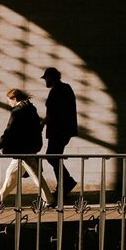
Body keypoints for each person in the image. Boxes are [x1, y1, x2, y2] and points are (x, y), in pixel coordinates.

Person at [0, 88, 54, 207]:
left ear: (14, 98)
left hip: (23, 149)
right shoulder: (30, 108)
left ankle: (49, 200)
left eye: (9, 100)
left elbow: (9, 132)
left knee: (35, 176)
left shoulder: (18, 111)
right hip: (27, 148)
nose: (8, 102)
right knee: (11, 173)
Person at [40, 67, 78, 201]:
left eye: (46, 78)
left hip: (58, 130)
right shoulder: (64, 89)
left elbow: (53, 113)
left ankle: (66, 183)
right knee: (53, 156)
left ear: (52, 77)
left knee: (52, 156)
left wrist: (42, 124)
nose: (45, 81)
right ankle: (65, 183)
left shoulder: (58, 90)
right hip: (62, 130)